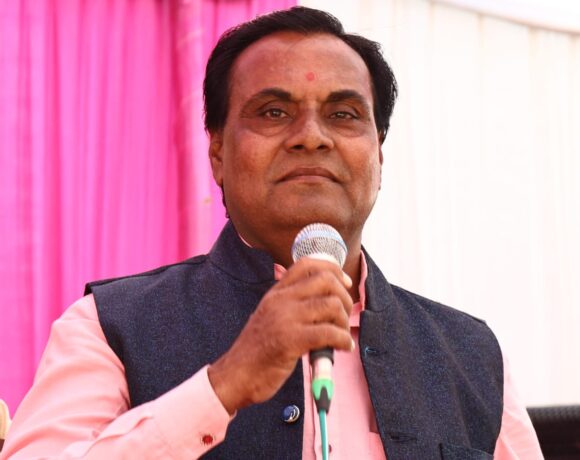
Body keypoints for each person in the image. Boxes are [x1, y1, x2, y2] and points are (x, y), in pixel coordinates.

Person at [2, 7, 542, 459]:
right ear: (217, 152)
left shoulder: (470, 355)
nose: (312, 137)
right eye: (274, 111)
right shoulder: (109, 325)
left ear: (379, 154)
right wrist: (223, 385)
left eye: (344, 114)